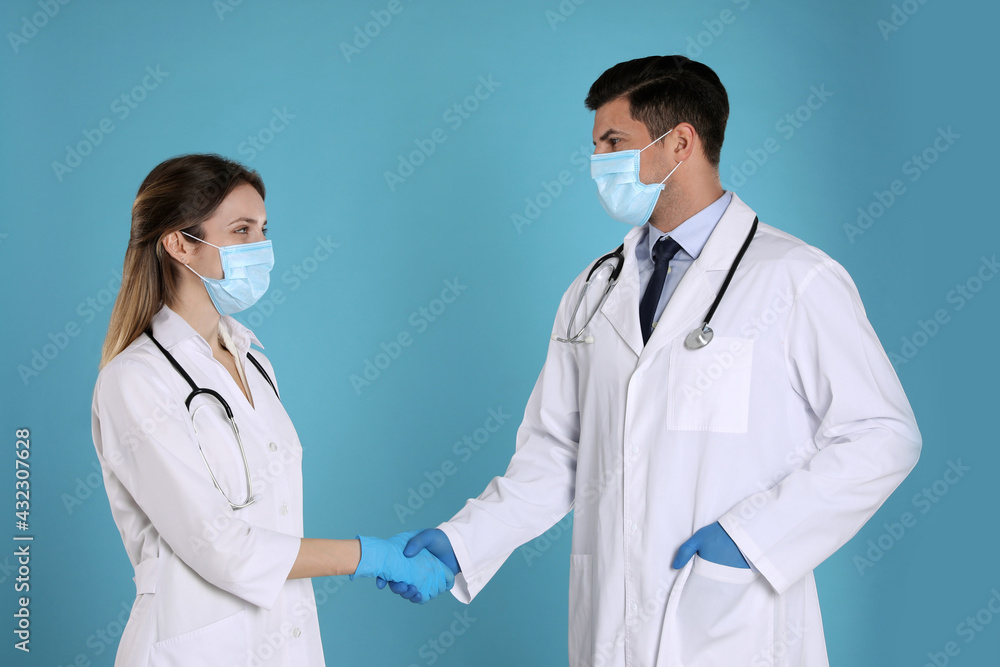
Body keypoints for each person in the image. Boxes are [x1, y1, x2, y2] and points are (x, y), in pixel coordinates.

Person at [385, 56, 922, 666]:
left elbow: (882, 435)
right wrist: (464, 541)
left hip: (732, 625)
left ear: (680, 143)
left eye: (615, 142)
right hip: (612, 624)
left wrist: (748, 541)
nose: (598, 164)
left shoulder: (795, 278)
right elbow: (558, 452)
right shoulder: (592, 291)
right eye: (595, 146)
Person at [91, 154, 453, 666]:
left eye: (263, 229)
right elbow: (220, 546)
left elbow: (273, 522)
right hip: (194, 645)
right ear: (178, 243)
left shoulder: (250, 355)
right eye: (240, 230)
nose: (259, 247)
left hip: (286, 640)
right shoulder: (134, 380)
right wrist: (372, 556)